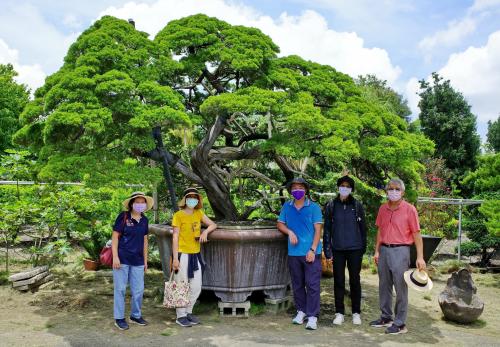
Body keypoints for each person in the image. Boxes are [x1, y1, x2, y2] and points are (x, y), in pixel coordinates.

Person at [370, 178, 426, 335]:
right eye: (390, 188)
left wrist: (420, 257)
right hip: (384, 250)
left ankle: (400, 323)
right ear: (386, 191)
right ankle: (386, 317)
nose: (393, 191)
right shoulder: (382, 209)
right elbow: (380, 230)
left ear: (402, 192)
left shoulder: (410, 209)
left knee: (400, 287)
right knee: (384, 285)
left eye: (396, 189)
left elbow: (416, 234)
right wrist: (377, 250)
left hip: (401, 250)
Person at [277, 177, 323, 330]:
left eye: (300, 188)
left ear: (306, 190)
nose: (298, 190)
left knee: (312, 285)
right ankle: (301, 311)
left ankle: (312, 316)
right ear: (291, 190)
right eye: (295, 188)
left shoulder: (314, 207)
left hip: (311, 253)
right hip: (294, 253)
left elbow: (318, 230)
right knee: (297, 284)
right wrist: (289, 232)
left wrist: (312, 249)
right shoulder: (287, 207)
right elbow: (280, 223)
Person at [323, 175, 367, 326]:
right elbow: (327, 229)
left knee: (355, 281)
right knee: (339, 281)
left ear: (351, 189)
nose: (345, 188)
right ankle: (339, 312)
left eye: (348, 186)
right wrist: (327, 250)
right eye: (342, 185)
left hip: (355, 249)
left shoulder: (357, 205)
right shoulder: (331, 205)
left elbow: (363, 229)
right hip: (338, 249)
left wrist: (362, 248)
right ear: (338, 187)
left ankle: (356, 312)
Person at [171, 187, 217, 327]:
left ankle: (188, 312)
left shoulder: (199, 213)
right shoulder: (178, 215)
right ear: (185, 199)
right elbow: (175, 236)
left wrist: (205, 233)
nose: (192, 199)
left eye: (195, 197)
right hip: (182, 253)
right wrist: (175, 258)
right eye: (190, 197)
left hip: (195, 254)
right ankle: (181, 316)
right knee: (181, 285)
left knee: (196, 286)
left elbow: (213, 224)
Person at [112, 191, 153, 330]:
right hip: (122, 259)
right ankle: (119, 318)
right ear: (131, 204)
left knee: (138, 290)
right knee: (120, 289)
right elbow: (115, 237)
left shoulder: (145, 220)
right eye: (137, 202)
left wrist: (146, 261)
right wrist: (115, 257)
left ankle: (135, 315)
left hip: (138, 261)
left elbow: (145, 241)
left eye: (143, 202)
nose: (140, 204)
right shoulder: (123, 217)